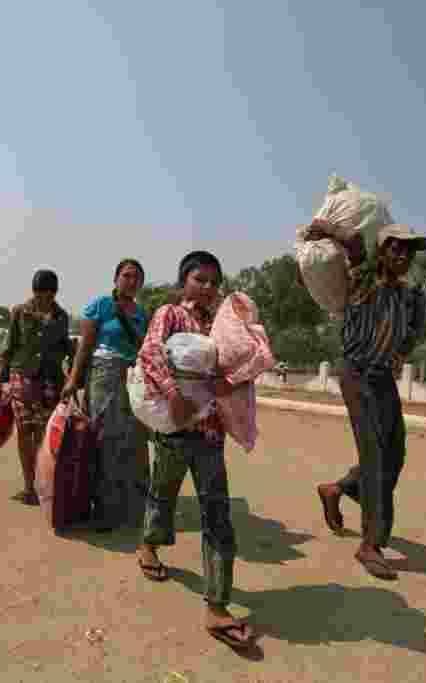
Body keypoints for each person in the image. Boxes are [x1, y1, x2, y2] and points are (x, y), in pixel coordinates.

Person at [134, 250, 253, 650]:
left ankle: (217, 604)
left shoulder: (224, 326)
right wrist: (173, 395)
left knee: (217, 512)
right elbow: (150, 353)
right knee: (163, 492)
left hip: (210, 433)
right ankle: (149, 545)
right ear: (185, 280)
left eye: (213, 282)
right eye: (199, 279)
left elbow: (238, 365)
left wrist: (231, 382)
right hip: (173, 427)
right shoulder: (170, 314)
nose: (206, 288)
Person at [311, 223, 426, 581]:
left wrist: (401, 351)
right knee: (376, 455)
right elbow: (352, 242)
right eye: (396, 249)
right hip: (357, 372)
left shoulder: (410, 296)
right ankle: (371, 544)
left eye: (409, 252)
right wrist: (323, 228)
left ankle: (338, 489)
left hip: (381, 376)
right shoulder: (364, 277)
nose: (403, 256)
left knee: (394, 454)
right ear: (382, 252)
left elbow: (412, 334)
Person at [63, 259, 151, 531]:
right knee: (103, 440)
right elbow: (85, 347)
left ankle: (127, 507)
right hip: (103, 377)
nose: (132, 281)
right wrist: (73, 379)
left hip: (133, 380)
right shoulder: (100, 305)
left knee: (132, 442)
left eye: (137, 277)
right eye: (127, 275)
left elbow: (145, 351)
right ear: (115, 279)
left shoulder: (141, 315)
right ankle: (101, 508)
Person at [0, 270, 74, 506]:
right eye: (40, 294)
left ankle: (42, 487)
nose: (44, 299)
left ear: (55, 293)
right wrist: (1, 380)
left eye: (49, 295)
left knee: (43, 437)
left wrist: (74, 371)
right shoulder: (20, 312)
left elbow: (63, 347)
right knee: (24, 433)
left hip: (50, 383)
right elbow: (9, 346)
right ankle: (28, 487)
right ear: (34, 292)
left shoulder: (62, 317)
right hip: (22, 380)